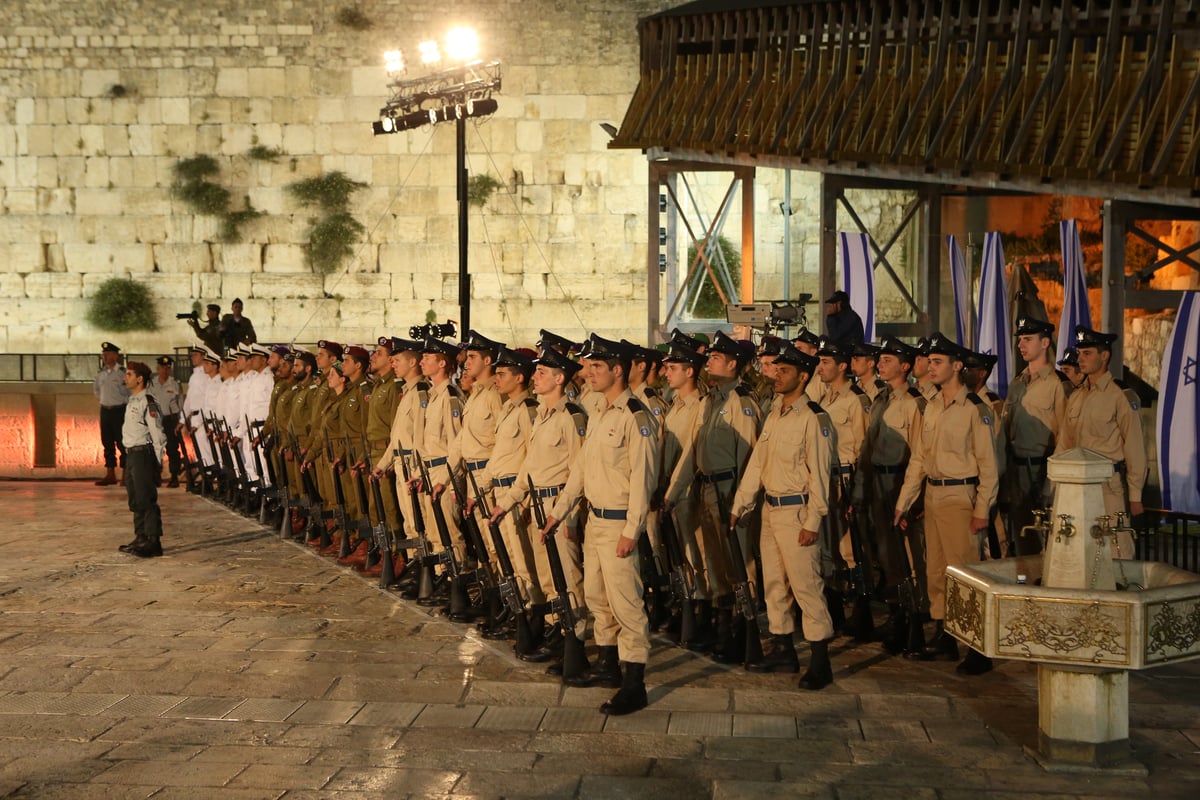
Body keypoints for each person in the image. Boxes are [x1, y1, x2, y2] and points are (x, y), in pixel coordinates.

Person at [543, 335, 658, 715]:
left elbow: (644, 478)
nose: (588, 372)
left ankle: (634, 683)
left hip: (619, 523)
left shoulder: (635, 417)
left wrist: (632, 530)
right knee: (597, 597)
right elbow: (581, 470)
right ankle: (608, 664)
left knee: (627, 604)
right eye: (588, 366)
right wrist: (560, 511)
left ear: (618, 370)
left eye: (597, 367)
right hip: (595, 520)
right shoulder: (600, 413)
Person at [731, 343, 836, 689]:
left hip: (797, 511)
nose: (776, 376)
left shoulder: (814, 418)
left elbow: (821, 477)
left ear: (803, 376)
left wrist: (813, 522)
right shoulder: (775, 414)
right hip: (770, 509)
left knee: (807, 587)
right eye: (776, 370)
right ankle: (783, 647)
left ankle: (820, 660)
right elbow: (757, 465)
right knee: (774, 585)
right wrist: (740, 506)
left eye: (785, 371)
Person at [893, 333, 999, 675]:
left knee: (966, 573)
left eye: (938, 362)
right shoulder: (932, 406)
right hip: (934, 494)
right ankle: (944, 635)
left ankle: (977, 646)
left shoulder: (975, 410)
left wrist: (982, 508)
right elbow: (919, 459)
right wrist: (904, 500)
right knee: (936, 570)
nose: (931, 367)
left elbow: (988, 466)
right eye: (931, 361)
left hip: (960, 496)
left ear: (957, 366)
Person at [1055, 326, 1146, 557]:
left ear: (1104, 356)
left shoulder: (1119, 396)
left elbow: (1134, 447)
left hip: (1108, 485)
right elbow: (1064, 445)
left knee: (1115, 551)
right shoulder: (1076, 396)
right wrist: (1055, 483)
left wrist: (1135, 495)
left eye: (1088, 353)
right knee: (1076, 550)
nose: (1080, 359)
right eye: (1080, 353)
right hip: (1075, 485)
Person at [1003, 318, 1069, 555]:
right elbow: (1005, 431)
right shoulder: (1017, 384)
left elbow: (1065, 436)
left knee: (1049, 541)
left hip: (1042, 469)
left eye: (1027, 339)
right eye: (1020, 339)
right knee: (1023, 540)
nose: (1021, 344)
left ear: (1045, 343)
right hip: (1017, 471)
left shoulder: (1057, 384)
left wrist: (1052, 480)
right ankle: (1027, 588)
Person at [119, 361, 167, 558]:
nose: (126, 377)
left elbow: (157, 434)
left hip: (143, 454)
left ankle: (153, 540)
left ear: (140, 379)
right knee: (135, 497)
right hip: (132, 453)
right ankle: (141, 536)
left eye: (129, 374)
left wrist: (157, 462)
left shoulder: (148, 401)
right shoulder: (133, 400)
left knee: (146, 497)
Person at [93, 341, 130, 486]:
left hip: (119, 410)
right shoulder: (101, 374)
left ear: (115, 355)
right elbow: (96, 390)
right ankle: (110, 474)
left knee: (122, 443)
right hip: (105, 410)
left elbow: (129, 392)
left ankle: (125, 475)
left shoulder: (122, 373)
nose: (105, 356)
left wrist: (120, 401)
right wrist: (105, 400)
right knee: (107, 443)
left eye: (108, 354)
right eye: (104, 354)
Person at [148, 356, 185, 488]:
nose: (165, 370)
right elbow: (149, 401)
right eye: (163, 367)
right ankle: (156, 476)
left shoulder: (175, 383)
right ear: (158, 368)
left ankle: (174, 476)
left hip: (171, 419)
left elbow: (180, 403)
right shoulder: (152, 383)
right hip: (156, 420)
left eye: (168, 367)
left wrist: (180, 421)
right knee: (156, 448)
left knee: (172, 449)